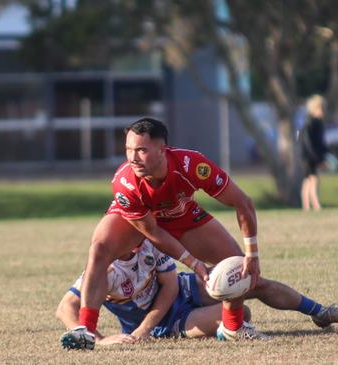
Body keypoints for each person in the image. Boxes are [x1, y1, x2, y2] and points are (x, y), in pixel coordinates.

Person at [62, 117, 337, 349]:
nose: (133, 158)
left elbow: (243, 203)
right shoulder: (125, 182)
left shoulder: (191, 165)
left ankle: (310, 314)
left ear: (162, 149)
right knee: (99, 247)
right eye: (129, 149)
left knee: (246, 275)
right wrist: (193, 264)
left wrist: (252, 254)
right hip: (145, 221)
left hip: (183, 218)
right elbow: (152, 230)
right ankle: (86, 328)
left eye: (142, 150)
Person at [58, 239, 247, 349]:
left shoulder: (148, 241)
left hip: (182, 288)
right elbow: (64, 308)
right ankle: (220, 330)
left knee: (240, 280)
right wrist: (98, 339)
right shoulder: (103, 269)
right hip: (166, 323)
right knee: (241, 313)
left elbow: (171, 285)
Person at [299, 94, 329, 211]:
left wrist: (325, 153)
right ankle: (315, 205)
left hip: (313, 156)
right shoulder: (310, 123)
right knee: (312, 180)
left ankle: (307, 206)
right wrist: (316, 158)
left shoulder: (319, 123)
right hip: (309, 157)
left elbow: (321, 142)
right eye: (319, 108)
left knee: (308, 181)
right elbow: (308, 142)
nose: (322, 111)